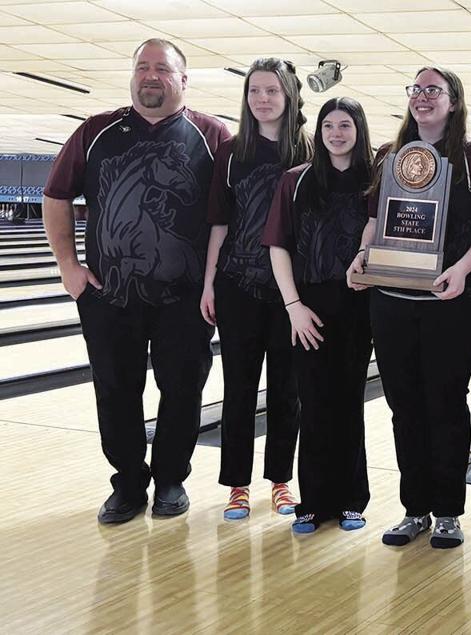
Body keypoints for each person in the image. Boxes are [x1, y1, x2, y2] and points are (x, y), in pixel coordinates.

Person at [43, 38, 230, 524]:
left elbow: (228, 216)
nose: (150, 76)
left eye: (162, 69)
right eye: (142, 67)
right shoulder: (95, 132)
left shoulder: (212, 135)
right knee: (115, 389)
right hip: (109, 294)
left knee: (183, 389)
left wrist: (216, 284)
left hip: (186, 299)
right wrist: (69, 267)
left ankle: (171, 479)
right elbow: (56, 195)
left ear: (183, 79)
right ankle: (127, 482)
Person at [347, 66, 471, 550]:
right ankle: (414, 509)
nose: (423, 97)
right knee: (403, 406)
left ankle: (448, 513)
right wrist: (362, 256)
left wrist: (461, 270)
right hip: (392, 301)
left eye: (434, 90)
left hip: (451, 301)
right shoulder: (390, 156)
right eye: (416, 89)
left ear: (454, 101)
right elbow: (375, 220)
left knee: (445, 403)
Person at [203, 58, 312, 521]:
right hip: (238, 286)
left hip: (291, 293)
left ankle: (281, 481)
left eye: (271, 91)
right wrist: (209, 283)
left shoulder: (309, 150)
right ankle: (237, 485)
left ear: (289, 95)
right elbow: (220, 222)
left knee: (287, 390)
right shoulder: (232, 152)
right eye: (254, 91)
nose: (262, 99)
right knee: (239, 390)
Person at [262, 97, 374, 535]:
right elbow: (278, 246)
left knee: (349, 402)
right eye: (329, 125)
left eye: (345, 125)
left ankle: (352, 500)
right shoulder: (296, 180)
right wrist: (294, 307)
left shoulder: (374, 180)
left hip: (360, 305)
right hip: (308, 305)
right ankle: (314, 501)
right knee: (313, 402)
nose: (336, 133)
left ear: (359, 130)